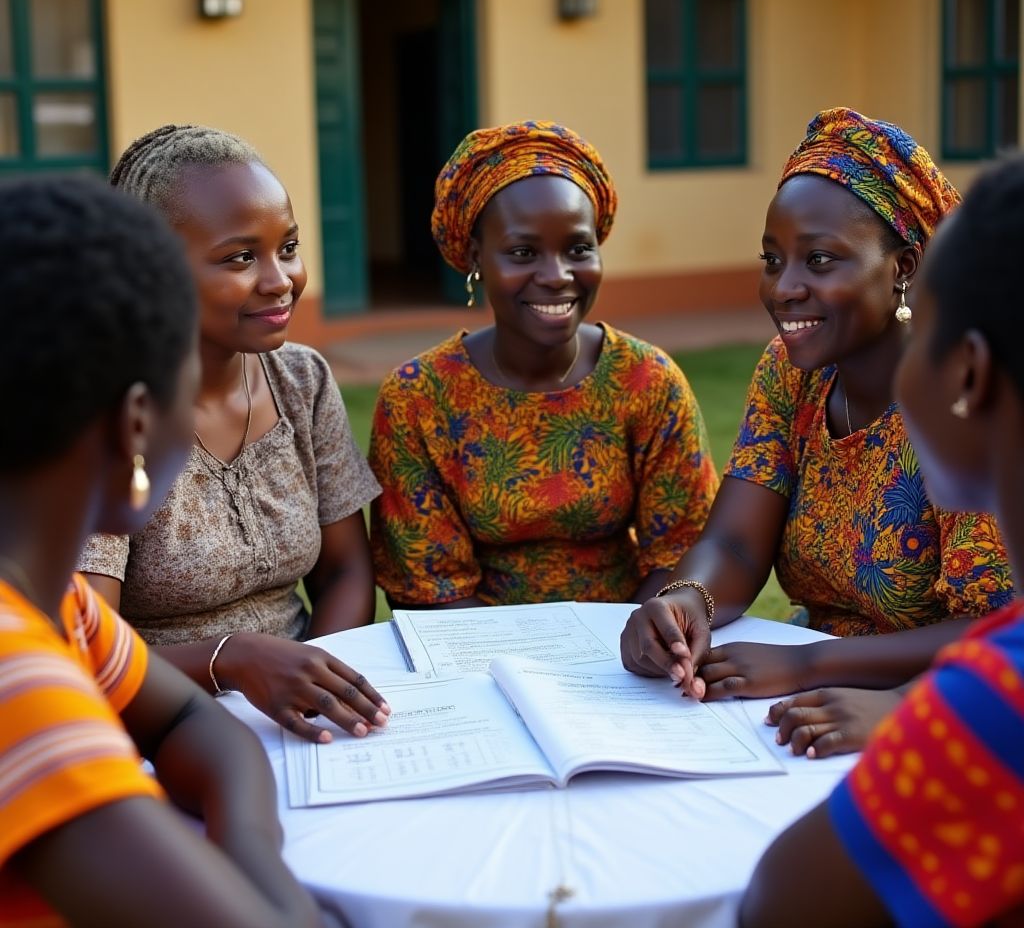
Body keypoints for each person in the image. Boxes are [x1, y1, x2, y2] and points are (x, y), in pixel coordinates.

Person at [0, 176, 324, 927]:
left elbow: (190, 724)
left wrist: (248, 850)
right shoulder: (16, 675)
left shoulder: (58, 604)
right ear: (137, 425)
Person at [620, 108, 1011, 714]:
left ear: (903, 267)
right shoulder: (791, 373)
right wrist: (686, 601)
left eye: (820, 260)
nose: (783, 288)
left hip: (931, 702)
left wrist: (810, 665)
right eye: (772, 260)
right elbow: (736, 545)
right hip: (805, 691)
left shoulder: (962, 398)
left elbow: (1000, 632)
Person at [741, 154, 1024, 928]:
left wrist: (900, 704)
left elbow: (780, 903)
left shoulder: (995, 701)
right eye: (773, 259)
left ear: (968, 374)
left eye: (921, 332)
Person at [80, 125, 388, 743]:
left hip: (301, 721)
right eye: (240, 258)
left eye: (288, 247)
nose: (280, 280)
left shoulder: (301, 381)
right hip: (157, 720)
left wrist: (316, 685)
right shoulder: (103, 415)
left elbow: (346, 572)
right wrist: (233, 662)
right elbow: (89, 649)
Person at [369, 120, 718, 608]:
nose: (556, 276)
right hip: (469, 643)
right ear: (476, 257)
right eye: (523, 252)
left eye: (578, 249)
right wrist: (522, 655)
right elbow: (427, 582)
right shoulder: (419, 398)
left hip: (626, 634)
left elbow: (683, 549)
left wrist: (635, 632)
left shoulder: (646, 380)